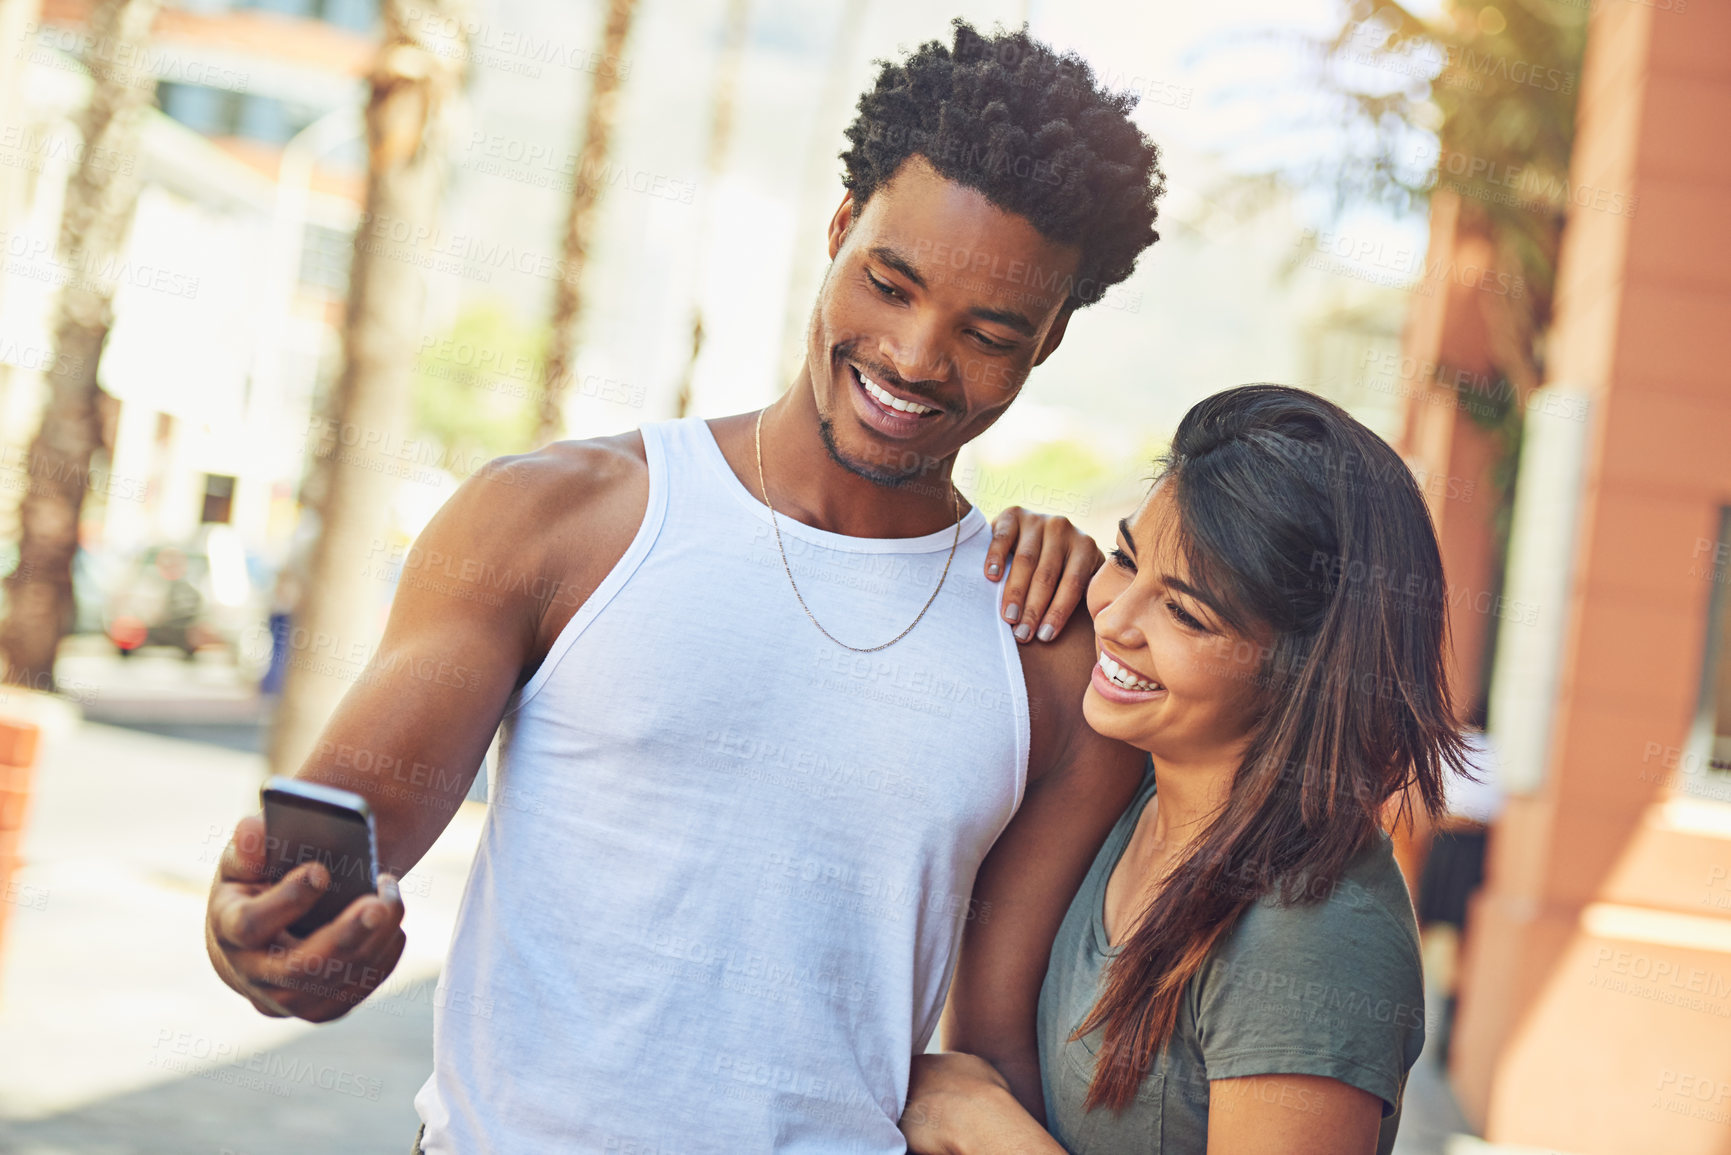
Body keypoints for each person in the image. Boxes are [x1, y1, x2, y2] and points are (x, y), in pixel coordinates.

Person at [204, 20, 1165, 1153]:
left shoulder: (1046, 646)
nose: (913, 356)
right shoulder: (556, 518)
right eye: (889, 283)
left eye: (990, 332)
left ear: (1049, 340)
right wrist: (258, 942)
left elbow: (994, 1059)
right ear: (841, 226)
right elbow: (330, 849)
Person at [901, 385, 1476, 1155]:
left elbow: (983, 1101)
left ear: (1303, 672)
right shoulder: (1129, 788)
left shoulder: (1310, 934)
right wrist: (1040, 557)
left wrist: (982, 1126)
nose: (1113, 617)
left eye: (1184, 613)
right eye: (1123, 557)